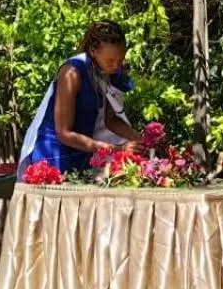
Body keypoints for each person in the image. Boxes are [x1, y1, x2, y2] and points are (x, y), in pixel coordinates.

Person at [18, 21, 141, 175]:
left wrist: (141, 141)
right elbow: (64, 133)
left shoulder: (107, 72)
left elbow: (111, 121)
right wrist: (117, 150)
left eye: (120, 60)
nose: (116, 66)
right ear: (93, 51)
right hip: (55, 156)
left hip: (82, 152)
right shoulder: (72, 74)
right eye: (110, 61)